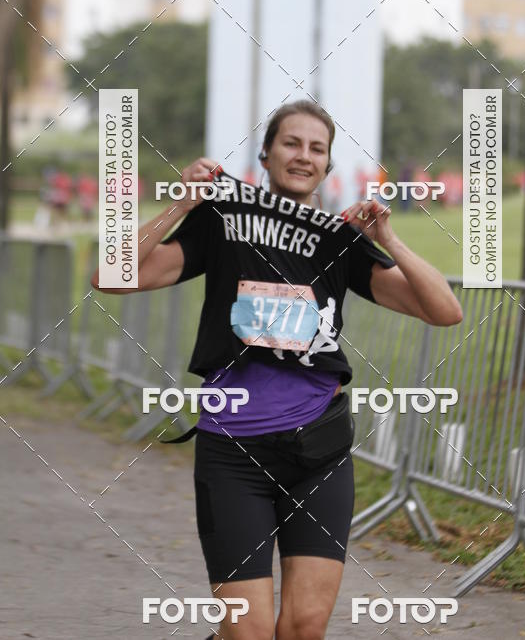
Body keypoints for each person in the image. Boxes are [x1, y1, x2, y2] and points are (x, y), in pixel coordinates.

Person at [92, 99, 463, 639]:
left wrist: (388, 240)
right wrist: (181, 204)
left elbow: (445, 311)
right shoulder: (221, 221)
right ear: (265, 155)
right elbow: (112, 276)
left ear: (328, 166)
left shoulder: (341, 242)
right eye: (292, 143)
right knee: (248, 632)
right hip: (236, 451)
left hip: (320, 449)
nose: (303, 156)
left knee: (305, 628)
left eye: (317, 149)